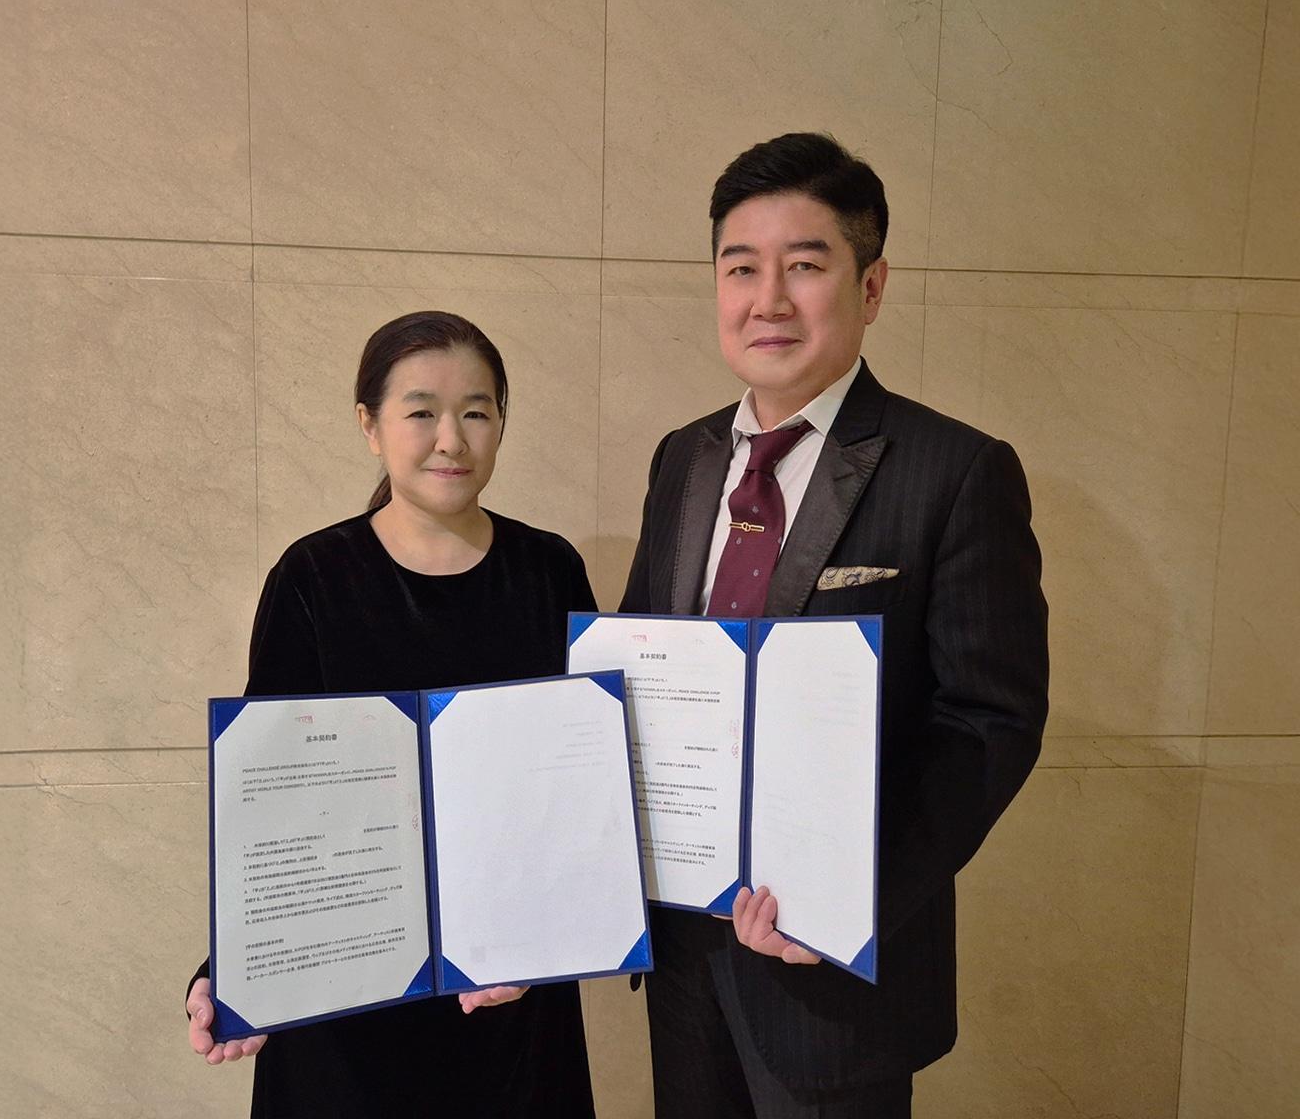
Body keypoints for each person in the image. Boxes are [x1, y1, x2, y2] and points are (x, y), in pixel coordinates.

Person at [622, 132, 1050, 1117]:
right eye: (741, 268)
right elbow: (641, 675)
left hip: (833, 979)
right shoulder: (683, 459)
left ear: (870, 286)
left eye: (804, 266)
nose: (766, 300)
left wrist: (846, 899)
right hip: (682, 957)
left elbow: (988, 722)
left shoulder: (955, 470)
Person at [185, 310, 598, 1117]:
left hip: (511, 1000)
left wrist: (547, 939)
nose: (451, 439)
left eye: (476, 412)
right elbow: (273, 807)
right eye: (421, 412)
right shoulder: (314, 575)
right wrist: (233, 971)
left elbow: (584, 789)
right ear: (369, 426)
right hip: (348, 1006)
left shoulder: (549, 571)